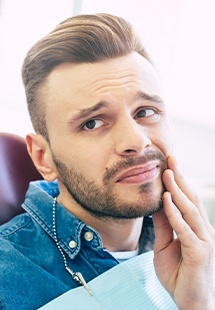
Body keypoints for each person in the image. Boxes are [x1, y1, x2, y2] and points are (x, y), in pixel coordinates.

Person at [0, 13, 214, 310]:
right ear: (43, 157)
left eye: (145, 111)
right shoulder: (6, 281)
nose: (136, 141)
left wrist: (196, 303)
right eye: (92, 123)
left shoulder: (199, 247)